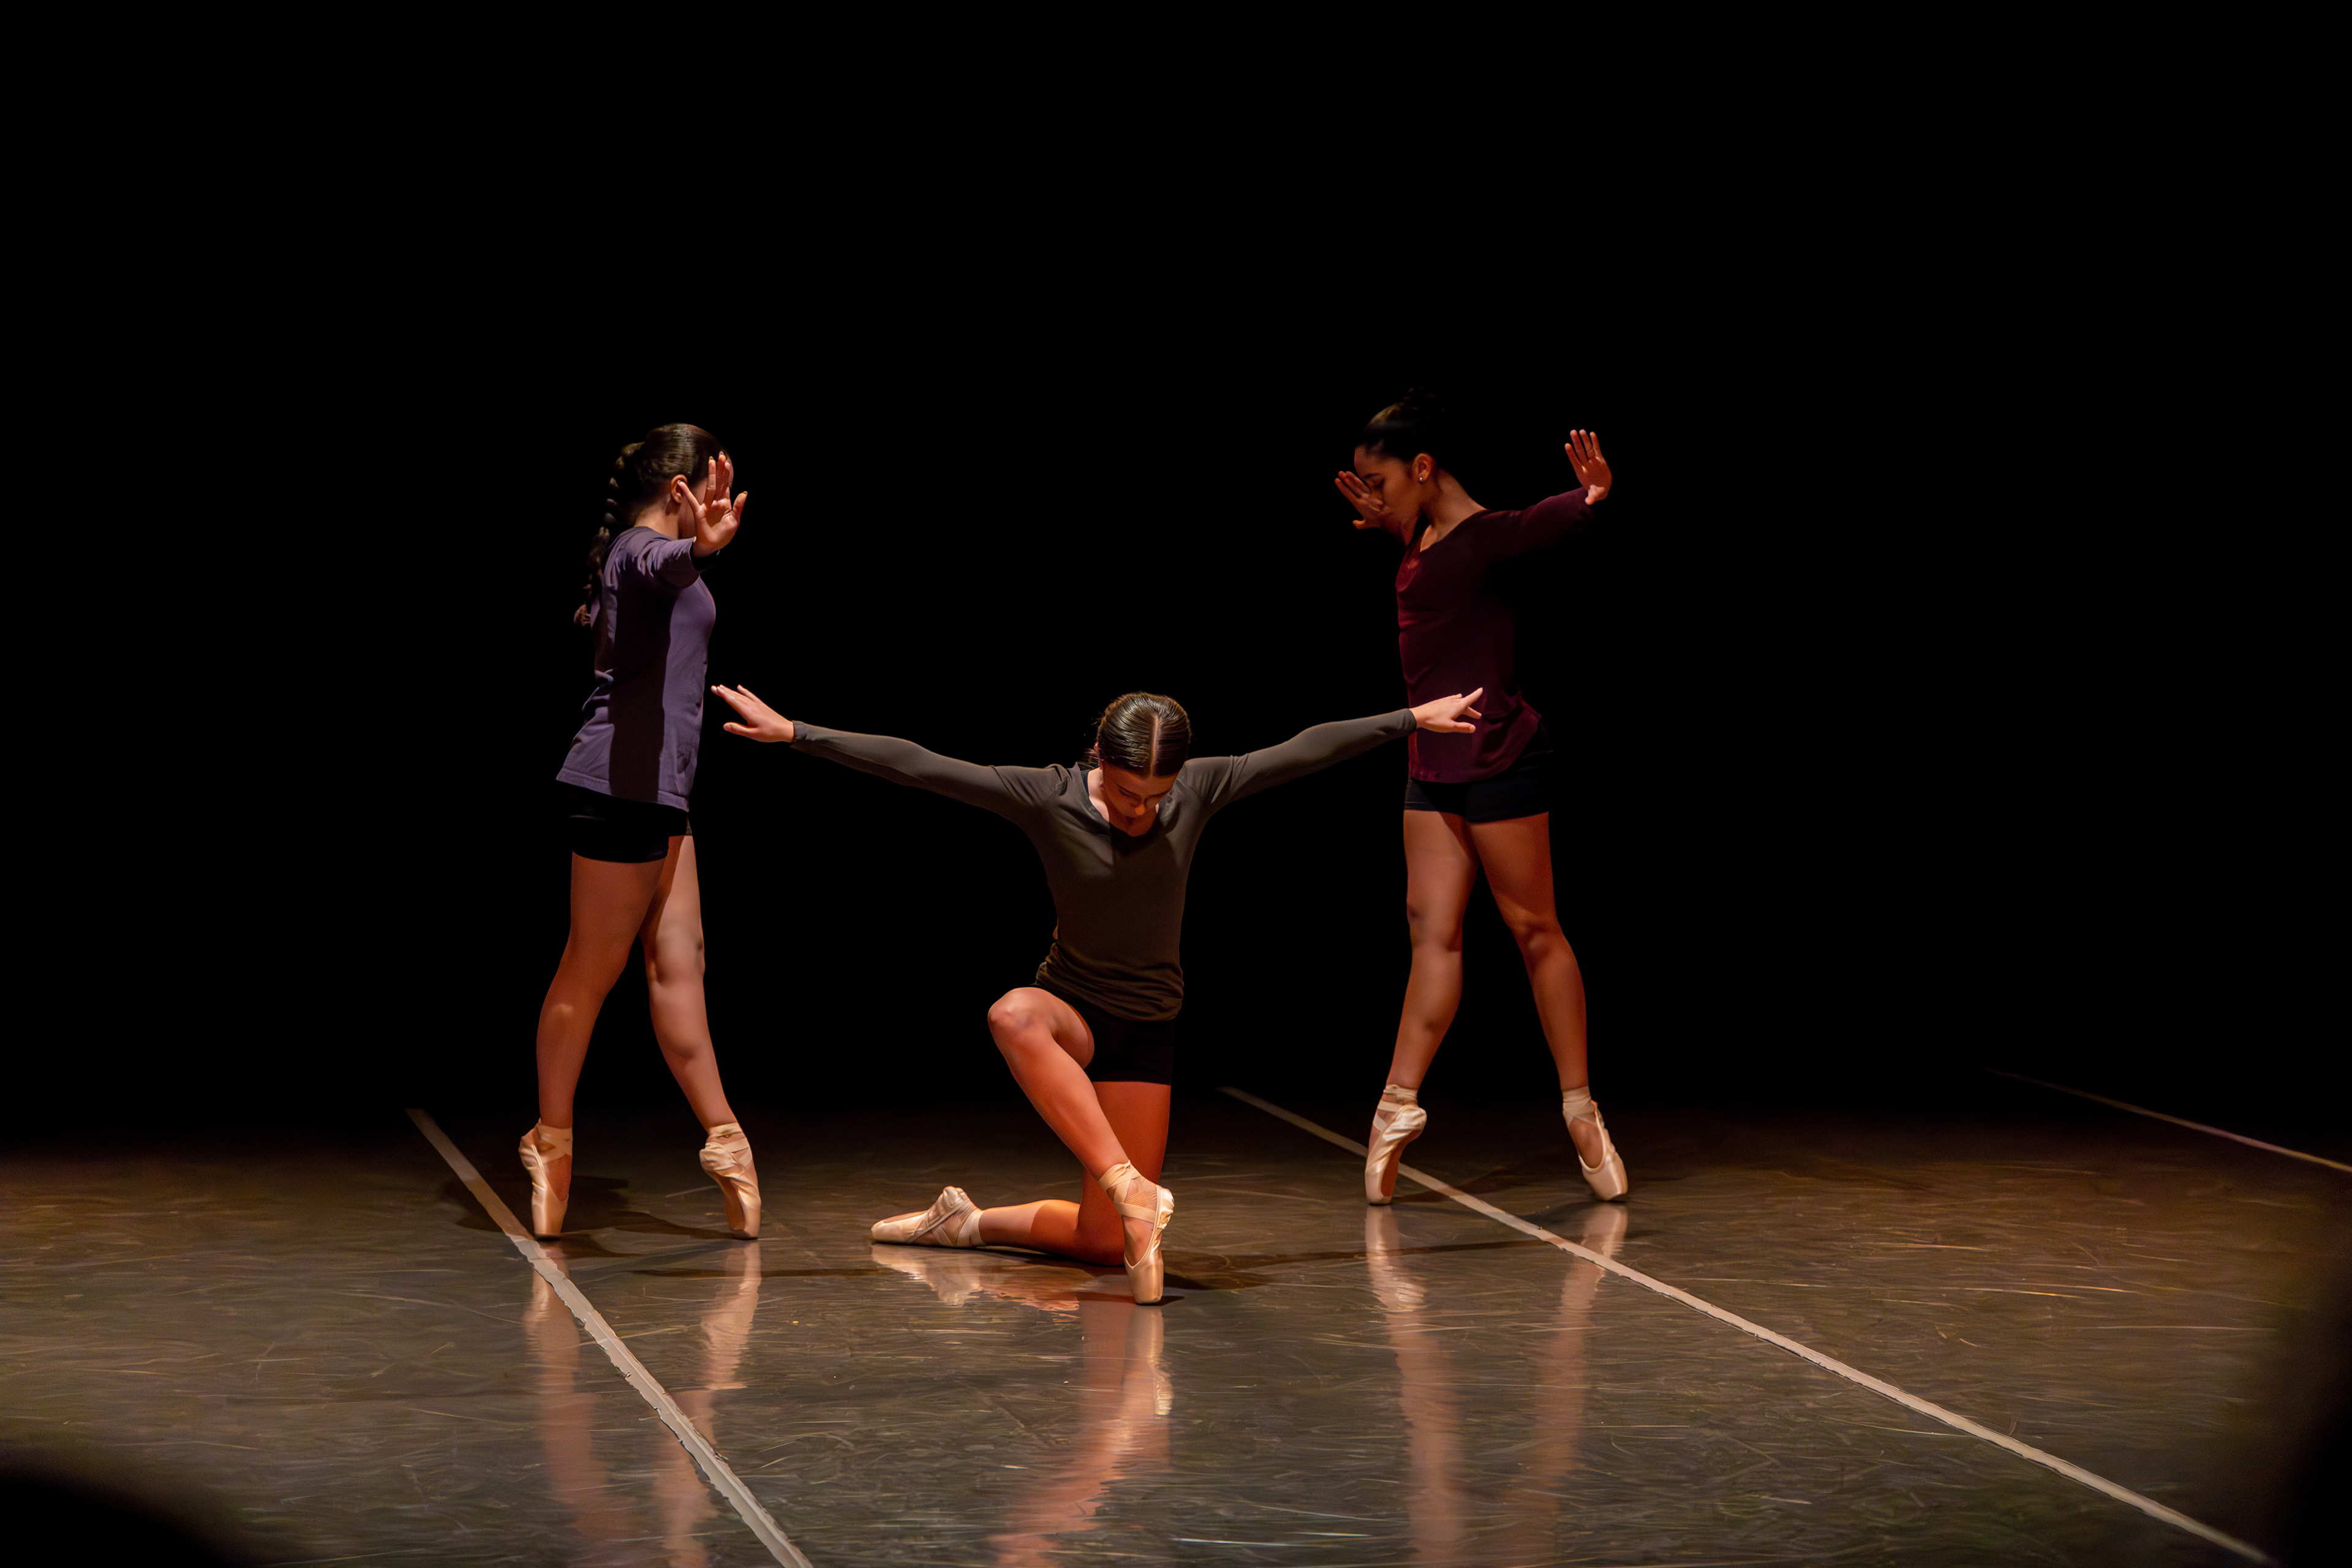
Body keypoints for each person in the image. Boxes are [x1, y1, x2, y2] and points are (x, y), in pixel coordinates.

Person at [710, 685, 1487, 1303]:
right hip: (1072, 1011)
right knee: (1012, 1014)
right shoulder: (1045, 797)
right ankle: (1128, 1186)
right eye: (1124, 792)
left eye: (1154, 796)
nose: (1139, 810)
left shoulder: (1200, 791)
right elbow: (922, 765)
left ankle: (964, 1222)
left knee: (1103, 1244)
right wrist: (798, 733)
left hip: (1147, 1030)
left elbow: (1304, 749)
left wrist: (1412, 719)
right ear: (1098, 760)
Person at [1332, 389, 1630, 1206]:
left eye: (1381, 481)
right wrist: (1388, 521)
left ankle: (1579, 1108)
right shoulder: (1419, 533)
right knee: (1432, 933)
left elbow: (1538, 525)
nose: (1372, 494)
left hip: (1500, 758)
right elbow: (1433, 566)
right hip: (1432, 763)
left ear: (1424, 467)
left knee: (1534, 929)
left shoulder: (1486, 536)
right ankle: (1396, 1105)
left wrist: (1591, 495)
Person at [519, 425, 760, 1242]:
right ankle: (552, 1140)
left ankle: (726, 1138)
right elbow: (662, 566)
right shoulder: (637, 552)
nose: (724, 502)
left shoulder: (661, 561)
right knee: (591, 971)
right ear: (682, 490)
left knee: (680, 965)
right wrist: (702, 549)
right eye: (713, 487)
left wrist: (700, 553)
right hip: (616, 791)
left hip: (663, 794)